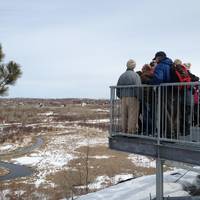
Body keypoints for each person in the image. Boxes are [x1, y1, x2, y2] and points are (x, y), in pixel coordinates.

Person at [116, 59, 141, 134]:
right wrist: (139, 97)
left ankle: (124, 130)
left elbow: (118, 87)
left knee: (124, 115)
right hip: (133, 97)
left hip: (123, 98)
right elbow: (138, 87)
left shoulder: (122, 75)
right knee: (132, 115)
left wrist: (120, 96)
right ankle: (131, 131)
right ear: (134, 66)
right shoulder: (135, 75)